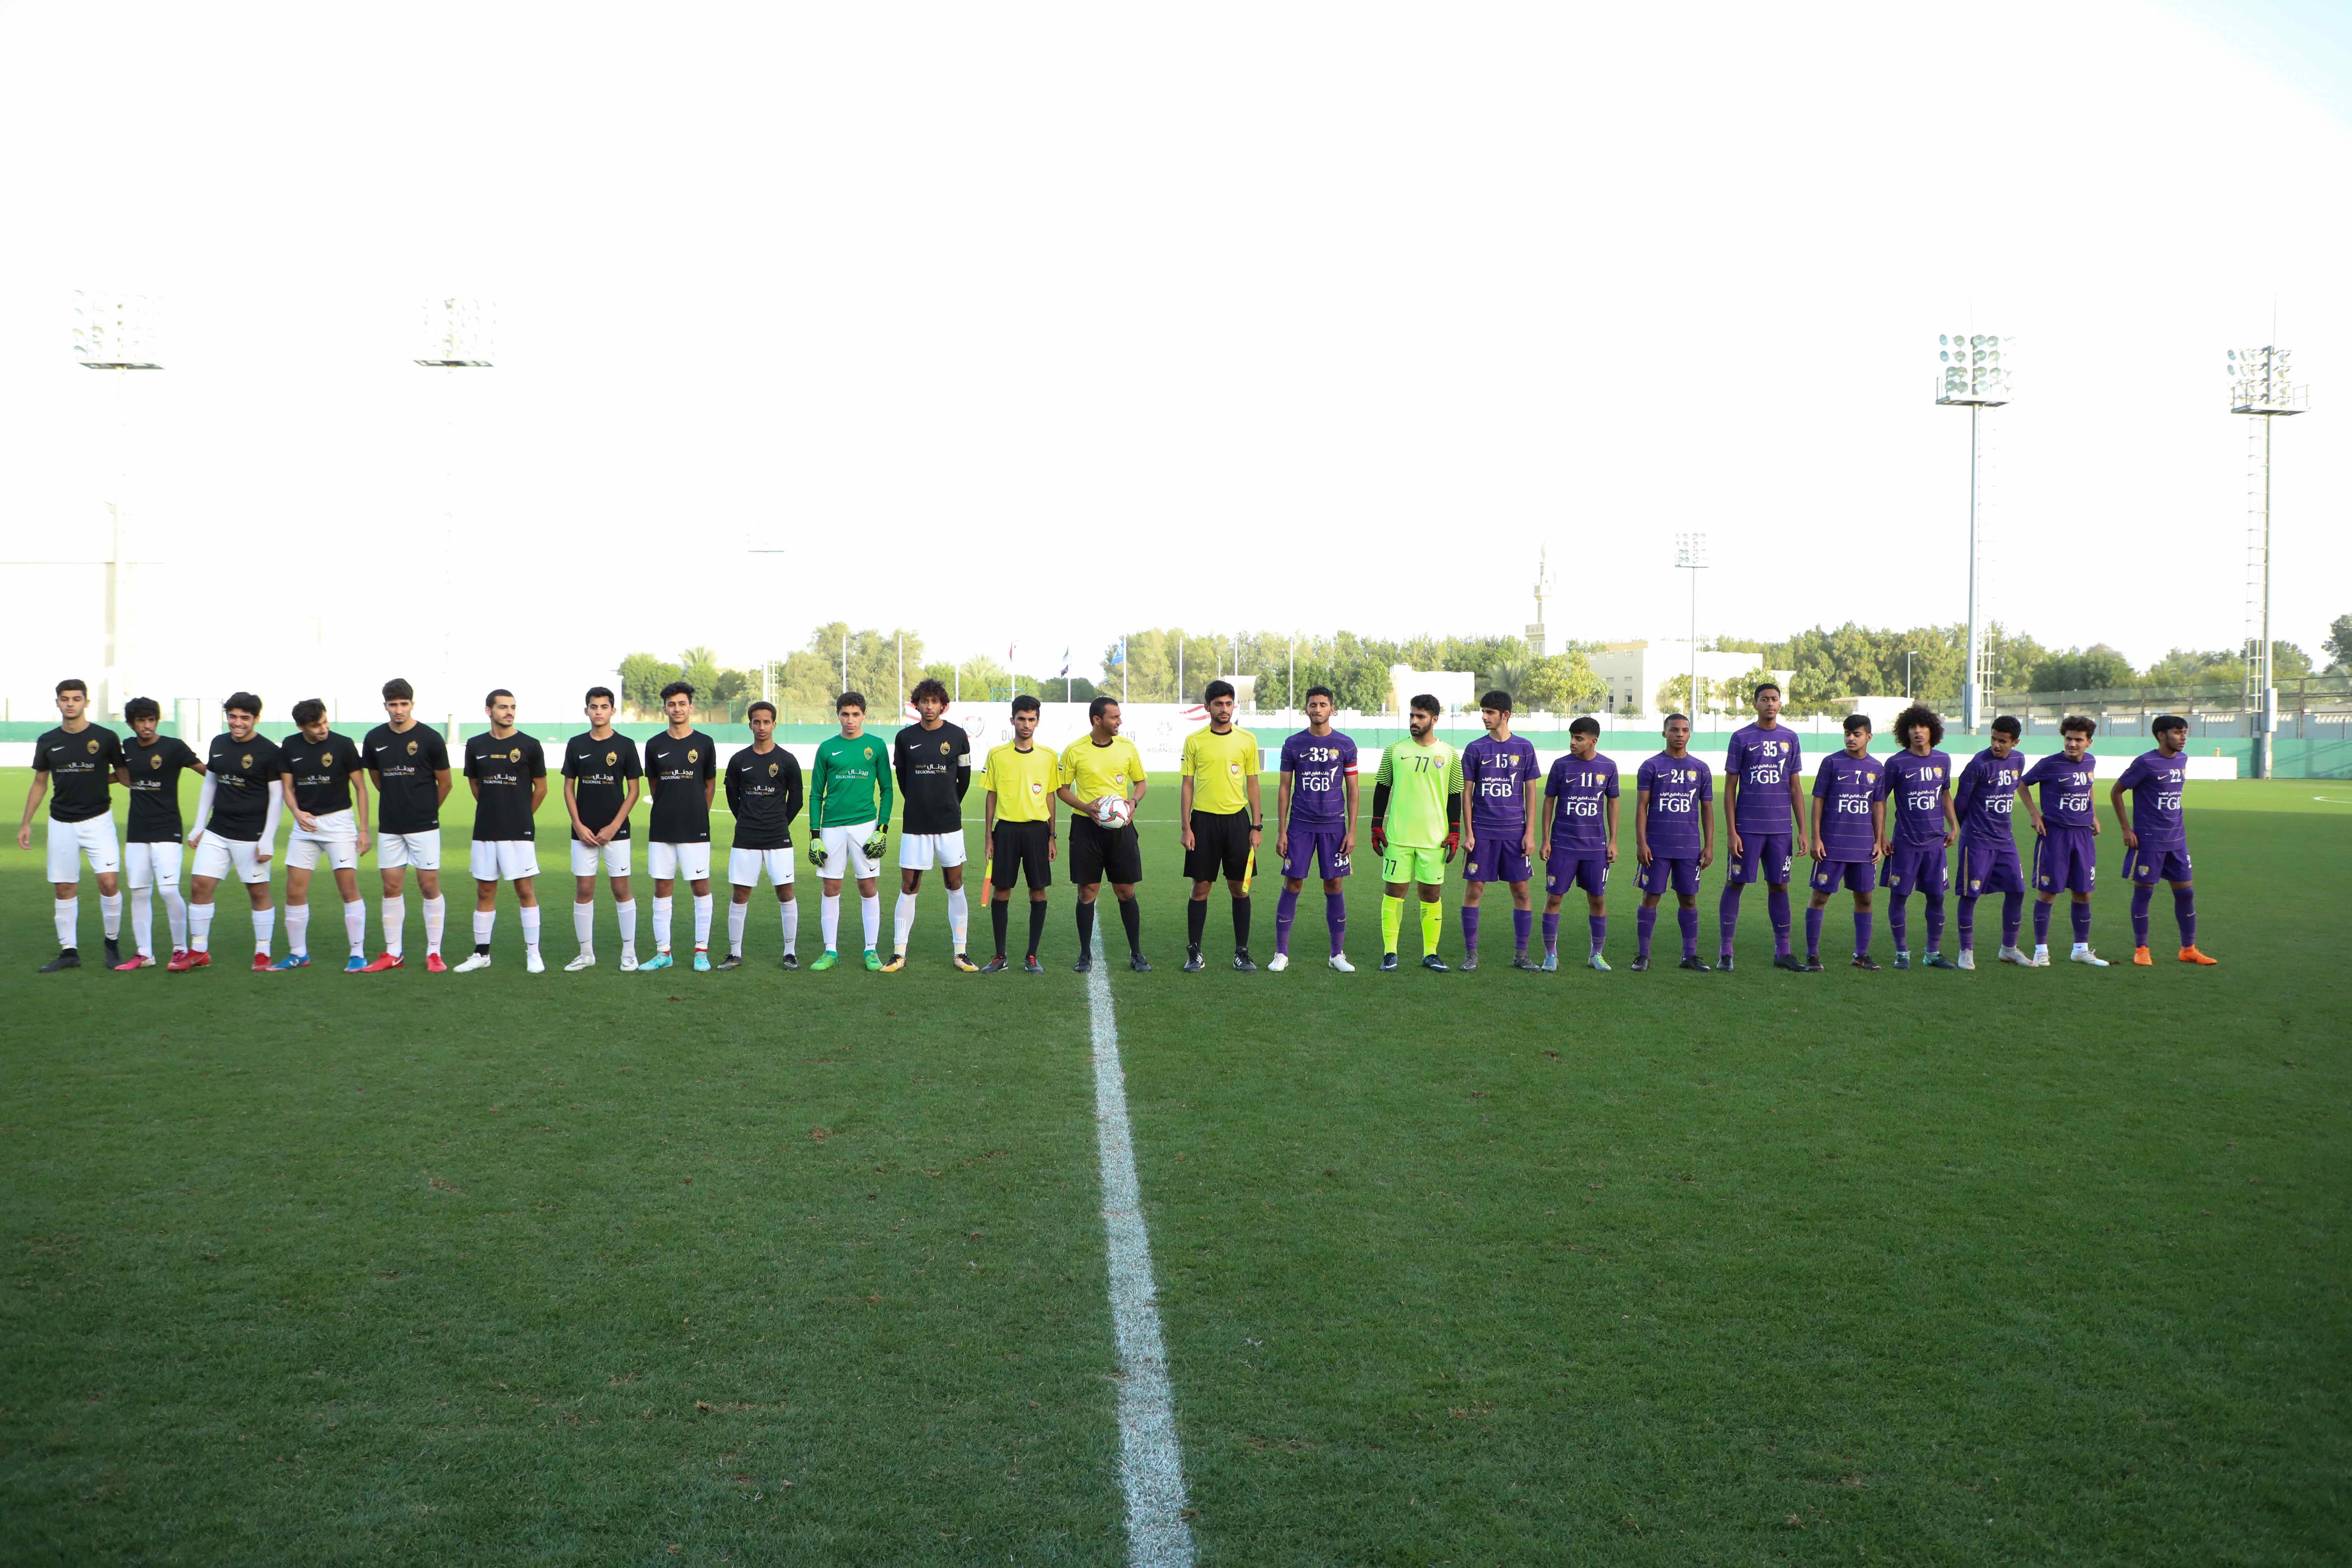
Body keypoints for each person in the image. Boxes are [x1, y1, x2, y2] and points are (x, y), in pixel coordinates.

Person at [17, 677, 125, 971]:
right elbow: (40, 782)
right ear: (58, 703)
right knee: (64, 888)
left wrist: (100, 779)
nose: (71, 704)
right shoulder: (48, 740)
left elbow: (124, 775)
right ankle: (69, 953)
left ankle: (112, 944)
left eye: (76, 699)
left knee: (109, 883)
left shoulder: (106, 737)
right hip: (61, 822)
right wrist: (26, 823)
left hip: (99, 821)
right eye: (65, 699)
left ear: (86, 702)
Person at [180, 692, 283, 971]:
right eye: (233, 716)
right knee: (199, 885)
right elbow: (211, 784)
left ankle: (263, 952)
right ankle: (199, 950)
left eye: (245, 718)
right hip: (218, 830)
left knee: (258, 892)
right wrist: (199, 825)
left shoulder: (270, 752)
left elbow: (277, 797)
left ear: (256, 719)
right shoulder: (219, 743)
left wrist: (268, 839)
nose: (237, 723)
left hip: (252, 834)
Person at [272, 698, 372, 971]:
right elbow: (287, 788)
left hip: (340, 824)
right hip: (305, 826)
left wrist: (364, 830)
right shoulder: (290, 746)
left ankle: (357, 955)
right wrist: (296, 813)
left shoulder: (344, 745)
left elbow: (361, 788)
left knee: (348, 889)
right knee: (294, 891)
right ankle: (298, 954)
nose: (323, 729)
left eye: (325, 722)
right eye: (316, 726)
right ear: (301, 726)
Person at [360, 677, 452, 972]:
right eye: (393, 705)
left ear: (412, 704)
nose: (399, 710)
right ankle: (393, 953)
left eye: (404, 704)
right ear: (385, 706)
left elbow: (446, 783)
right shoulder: (374, 739)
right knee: (391, 887)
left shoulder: (430, 738)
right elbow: (377, 779)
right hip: (390, 826)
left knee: (428, 885)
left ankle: (434, 952)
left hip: (424, 826)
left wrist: (426, 810)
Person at [454, 689, 548, 974]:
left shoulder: (530, 745)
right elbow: (475, 785)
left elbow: (541, 788)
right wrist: (493, 809)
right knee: (484, 890)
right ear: (489, 711)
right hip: (485, 829)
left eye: (513, 707)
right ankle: (481, 954)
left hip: (518, 831)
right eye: (503, 707)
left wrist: (521, 815)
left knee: (525, 890)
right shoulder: (476, 745)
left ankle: (534, 954)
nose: (509, 712)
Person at [2112, 714, 2216, 967]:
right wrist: (2126, 830)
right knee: (2144, 894)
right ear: (2161, 736)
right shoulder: (2145, 762)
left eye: (2185, 732)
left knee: (2186, 893)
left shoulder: (2182, 759)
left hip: (2177, 840)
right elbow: (2117, 791)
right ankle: (2142, 949)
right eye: (2178, 732)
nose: (2184, 737)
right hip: (2149, 841)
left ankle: (2188, 949)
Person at [1058, 695, 1150, 973]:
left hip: (1121, 829)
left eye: (1119, 716)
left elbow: (1141, 783)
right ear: (1097, 720)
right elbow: (1062, 789)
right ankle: (1085, 954)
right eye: (1114, 717)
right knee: (1087, 891)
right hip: (1086, 828)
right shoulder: (1075, 750)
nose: (1120, 721)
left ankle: (1137, 953)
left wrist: (1133, 802)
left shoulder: (1127, 748)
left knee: (1126, 891)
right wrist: (1086, 808)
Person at [1718, 682, 1806, 971]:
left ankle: (1784, 952)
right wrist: (1732, 832)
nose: (1770, 703)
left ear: (1781, 704)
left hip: (1780, 830)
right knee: (1736, 883)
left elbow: (1795, 787)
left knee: (1780, 885)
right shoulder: (1741, 738)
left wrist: (1803, 830)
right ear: (1755, 704)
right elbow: (1730, 789)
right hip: (1747, 828)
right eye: (1765, 699)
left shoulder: (1791, 738)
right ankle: (1726, 952)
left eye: (1775, 699)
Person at [1371, 693, 1462, 972]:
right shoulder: (1395, 750)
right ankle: (1390, 953)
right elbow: (1382, 787)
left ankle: (1431, 954)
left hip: (1434, 839)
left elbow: (1455, 795)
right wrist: (1376, 825)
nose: (1414, 721)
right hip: (1398, 837)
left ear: (1434, 720)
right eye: (1412, 715)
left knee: (1431, 894)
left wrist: (1455, 832)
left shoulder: (1449, 754)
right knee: (1394, 892)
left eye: (1420, 716)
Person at [888, 678, 975, 972]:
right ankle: (899, 953)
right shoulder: (904, 738)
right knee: (910, 886)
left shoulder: (957, 736)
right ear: (917, 705)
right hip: (916, 824)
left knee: (954, 884)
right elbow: (903, 780)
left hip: (949, 823)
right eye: (924, 701)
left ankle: (961, 953)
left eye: (935, 702)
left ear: (943, 706)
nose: (929, 707)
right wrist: (919, 801)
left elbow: (964, 778)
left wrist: (949, 802)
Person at [1178, 680, 1262, 973]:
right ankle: (1195, 952)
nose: (1224, 709)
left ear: (1234, 706)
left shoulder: (1247, 740)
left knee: (1240, 888)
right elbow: (1187, 785)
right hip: (1203, 822)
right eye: (1218, 704)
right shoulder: (1195, 741)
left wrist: (1257, 826)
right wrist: (1186, 827)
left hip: (1238, 823)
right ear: (1208, 707)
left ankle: (1242, 953)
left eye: (1228, 704)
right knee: (1201, 887)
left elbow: (1253, 784)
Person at [1271, 686, 1356, 972]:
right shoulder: (1294, 744)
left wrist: (1352, 831)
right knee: (1293, 883)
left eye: (1323, 704)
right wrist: (1282, 831)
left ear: (1333, 709)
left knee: (1334, 885)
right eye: (1313, 705)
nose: (1317, 709)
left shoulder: (1346, 745)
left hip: (1334, 827)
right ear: (1306, 709)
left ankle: (1337, 955)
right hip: (1300, 826)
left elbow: (1353, 791)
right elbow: (1285, 789)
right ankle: (1281, 953)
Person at [114, 696, 203, 970]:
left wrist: (236, 783)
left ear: (157, 721)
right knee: (139, 892)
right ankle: (145, 954)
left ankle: (181, 950)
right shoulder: (128, 746)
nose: (147, 726)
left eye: (151, 720)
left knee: (168, 890)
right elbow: (124, 777)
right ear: (131, 724)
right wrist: (85, 779)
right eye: (141, 721)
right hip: (137, 830)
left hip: (167, 828)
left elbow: (206, 771)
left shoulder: (174, 747)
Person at [808, 691, 894, 972]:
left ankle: (871, 950)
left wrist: (882, 829)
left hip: (865, 826)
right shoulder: (826, 748)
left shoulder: (876, 746)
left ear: (864, 715)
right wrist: (815, 836)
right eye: (845, 714)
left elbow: (887, 789)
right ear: (838, 715)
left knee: (868, 887)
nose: (850, 720)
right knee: (831, 888)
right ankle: (830, 951)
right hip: (832, 827)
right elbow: (816, 795)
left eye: (856, 714)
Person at [560, 685, 642, 971]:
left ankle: (629, 953)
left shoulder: (626, 745)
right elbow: (568, 788)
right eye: (594, 707)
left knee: (621, 888)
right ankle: (586, 954)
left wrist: (614, 826)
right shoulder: (576, 745)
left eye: (604, 707)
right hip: (583, 831)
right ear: (587, 711)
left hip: (616, 832)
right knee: (584, 889)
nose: (599, 712)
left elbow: (634, 790)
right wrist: (578, 825)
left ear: (613, 711)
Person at [1459, 690, 1542, 972]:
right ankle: (1471, 955)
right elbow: (1467, 794)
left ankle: (1521, 954)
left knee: (1522, 892)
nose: (1484, 717)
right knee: (1474, 890)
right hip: (1483, 832)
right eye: (1483, 712)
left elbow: (1531, 793)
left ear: (1505, 715)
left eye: (1490, 712)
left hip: (1515, 833)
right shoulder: (1475, 749)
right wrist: (1469, 833)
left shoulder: (1525, 748)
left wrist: (1530, 833)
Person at [978, 694, 1060, 973]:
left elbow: (1050, 797)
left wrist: (1052, 836)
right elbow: (991, 796)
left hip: (1038, 831)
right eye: (1022, 719)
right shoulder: (997, 755)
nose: (1026, 724)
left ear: (1038, 722)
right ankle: (1000, 956)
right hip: (1006, 831)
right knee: (1002, 890)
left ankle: (1032, 956)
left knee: (1038, 891)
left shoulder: (1049, 756)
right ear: (1012, 720)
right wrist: (989, 836)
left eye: (1031, 719)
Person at [2018, 716, 2108, 967]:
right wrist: (2034, 814)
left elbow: (2089, 785)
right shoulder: (2050, 764)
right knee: (2048, 893)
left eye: (2078, 740)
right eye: (2068, 739)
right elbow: (2022, 784)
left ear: (2089, 743)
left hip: (2083, 836)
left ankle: (2081, 950)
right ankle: (2041, 951)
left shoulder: (2090, 762)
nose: (2072, 744)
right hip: (2055, 836)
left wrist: (2093, 814)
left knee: (2084, 893)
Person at [722, 700, 805, 970]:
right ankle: (735, 953)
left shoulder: (787, 760)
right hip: (746, 838)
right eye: (757, 722)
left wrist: (779, 823)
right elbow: (733, 798)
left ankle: (790, 952)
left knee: (785, 892)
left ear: (774, 725)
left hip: (778, 838)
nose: (762, 727)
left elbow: (797, 801)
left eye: (766, 722)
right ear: (750, 725)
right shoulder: (739, 760)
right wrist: (748, 821)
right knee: (740, 893)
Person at [641, 681, 717, 972]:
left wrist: (698, 813)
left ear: (691, 707)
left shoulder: (705, 743)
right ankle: (664, 953)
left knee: (701, 886)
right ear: (665, 709)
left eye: (682, 704)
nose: (677, 709)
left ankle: (701, 952)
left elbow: (709, 784)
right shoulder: (654, 745)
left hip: (695, 827)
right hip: (662, 826)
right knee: (662, 887)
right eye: (672, 704)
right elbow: (654, 785)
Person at [1803, 715, 1886, 971]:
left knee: (1865, 899)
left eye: (1857, 734)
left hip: (1863, 847)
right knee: (1820, 897)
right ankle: (1812, 955)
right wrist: (1816, 838)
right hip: (1832, 845)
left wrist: (1878, 841)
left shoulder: (1877, 768)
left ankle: (1861, 955)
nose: (1851, 738)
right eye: (1848, 734)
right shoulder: (1832, 763)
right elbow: (1818, 800)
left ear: (1869, 737)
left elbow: (1878, 806)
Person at [1880, 704, 1959, 970]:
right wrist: (1881, 835)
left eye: (1922, 726)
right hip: (1904, 844)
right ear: (1906, 732)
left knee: (1937, 897)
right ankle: (1902, 953)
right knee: (1899, 897)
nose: (1918, 731)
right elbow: (1880, 801)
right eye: (1913, 727)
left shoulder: (1943, 760)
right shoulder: (1896, 764)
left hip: (1935, 844)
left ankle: (1933, 953)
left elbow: (1945, 795)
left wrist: (1954, 826)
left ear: (1932, 730)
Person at [1632, 713, 1714, 972]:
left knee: (1688, 899)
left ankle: (1689, 956)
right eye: (1675, 730)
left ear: (1690, 734)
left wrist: (1709, 845)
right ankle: (1643, 955)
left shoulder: (1701, 768)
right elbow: (1642, 807)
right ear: (1664, 733)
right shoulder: (1651, 766)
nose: (1680, 734)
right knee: (1651, 897)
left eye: (1685, 730)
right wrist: (1642, 843)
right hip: (1657, 847)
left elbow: (1707, 809)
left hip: (1689, 847)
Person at [1539, 715, 1618, 972]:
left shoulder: (1608, 767)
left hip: (1595, 847)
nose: (1573, 742)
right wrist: (1546, 839)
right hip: (1563, 845)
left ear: (1593, 741)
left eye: (1579, 738)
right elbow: (1549, 802)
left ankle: (1597, 955)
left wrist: (1613, 841)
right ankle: (1551, 955)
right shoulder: (1561, 766)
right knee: (1554, 899)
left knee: (1597, 900)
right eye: (1572, 737)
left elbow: (1613, 803)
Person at [1953, 715, 2030, 969]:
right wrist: (1965, 830)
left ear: (2015, 742)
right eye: (1994, 739)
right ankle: (1966, 952)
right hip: (1977, 841)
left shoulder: (2019, 760)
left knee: (2018, 891)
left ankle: (2009, 949)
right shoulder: (1978, 764)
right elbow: (1960, 803)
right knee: (1970, 894)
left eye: (2003, 741)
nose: (1996, 745)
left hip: (2006, 840)